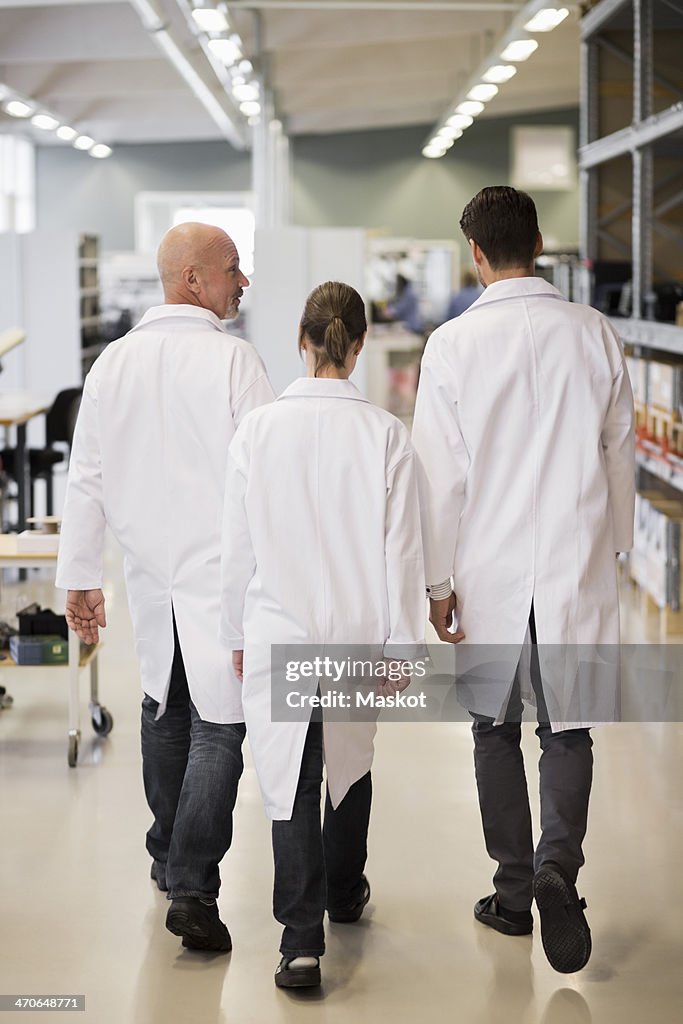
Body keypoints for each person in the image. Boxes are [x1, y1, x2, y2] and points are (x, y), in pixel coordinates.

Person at [412, 186, 635, 974]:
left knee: (493, 730)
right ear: (537, 242)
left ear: (474, 253)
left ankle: (512, 896)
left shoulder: (451, 346)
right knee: (568, 728)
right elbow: (619, 457)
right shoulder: (594, 333)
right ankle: (557, 871)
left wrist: (436, 584)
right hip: (575, 561)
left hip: (488, 567)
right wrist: (610, 553)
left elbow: (440, 481)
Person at [55, 223, 275, 953]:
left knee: (164, 707)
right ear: (193, 280)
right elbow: (264, 484)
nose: (242, 281)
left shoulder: (112, 364)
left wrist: (81, 577)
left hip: (147, 573)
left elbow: (83, 476)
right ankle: (192, 883)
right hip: (221, 575)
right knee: (221, 724)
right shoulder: (236, 362)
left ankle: (165, 854)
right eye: (232, 269)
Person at [220, 281, 425, 989]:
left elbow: (236, 550)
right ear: (359, 345)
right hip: (356, 631)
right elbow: (403, 553)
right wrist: (403, 646)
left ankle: (299, 944)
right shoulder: (385, 435)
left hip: (277, 627)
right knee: (349, 761)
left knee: (290, 778)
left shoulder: (256, 430)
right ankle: (344, 891)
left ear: (300, 343)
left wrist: (233, 632)